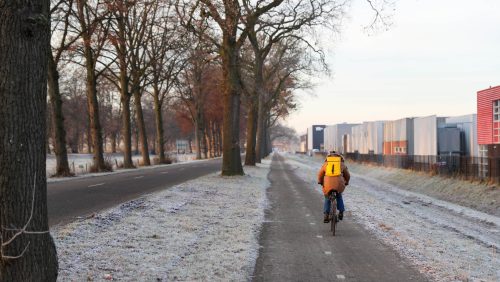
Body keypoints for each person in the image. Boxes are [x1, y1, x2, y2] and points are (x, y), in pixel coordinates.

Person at [317, 151, 350, 223]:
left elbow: (320, 174)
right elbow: (347, 175)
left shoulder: (326, 164)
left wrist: (320, 181)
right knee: (339, 196)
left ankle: (326, 214)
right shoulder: (341, 164)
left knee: (327, 197)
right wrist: (347, 181)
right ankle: (341, 211)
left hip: (328, 184)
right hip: (339, 184)